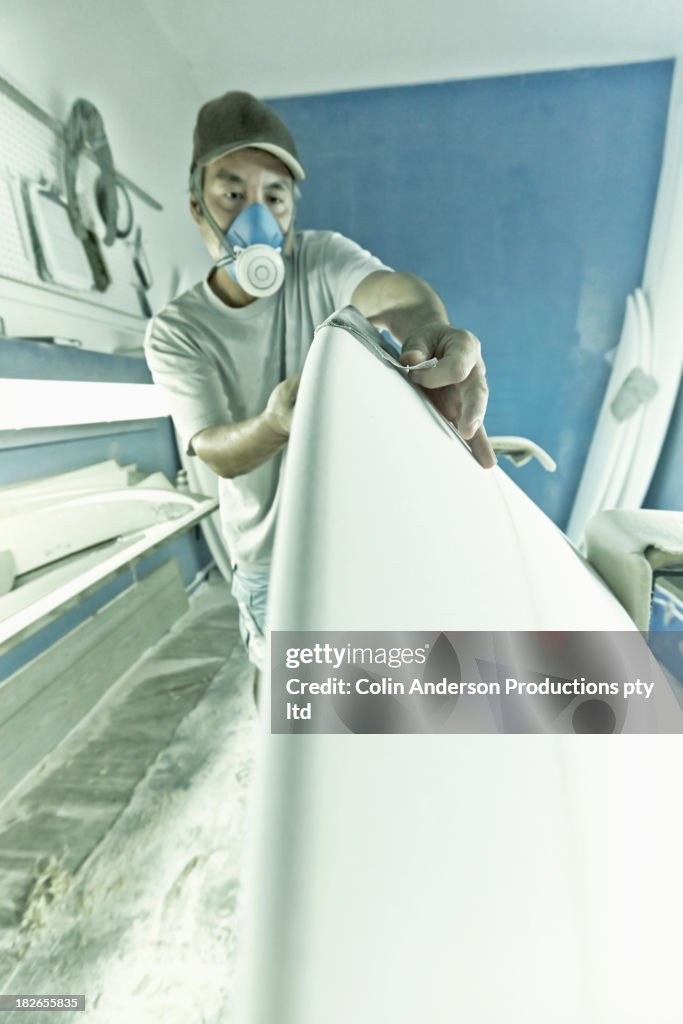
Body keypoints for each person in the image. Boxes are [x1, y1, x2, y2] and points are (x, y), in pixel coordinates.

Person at [144, 90, 496, 674]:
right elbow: (214, 451)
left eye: (274, 196)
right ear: (195, 205)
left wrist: (430, 328)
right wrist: (275, 423)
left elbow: (393, 293)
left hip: (358, 545)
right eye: (232, 192)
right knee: (292, 706)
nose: (254, 215)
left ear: (291, 210)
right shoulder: (177, 330)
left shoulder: (322, 258)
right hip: (271, 565)